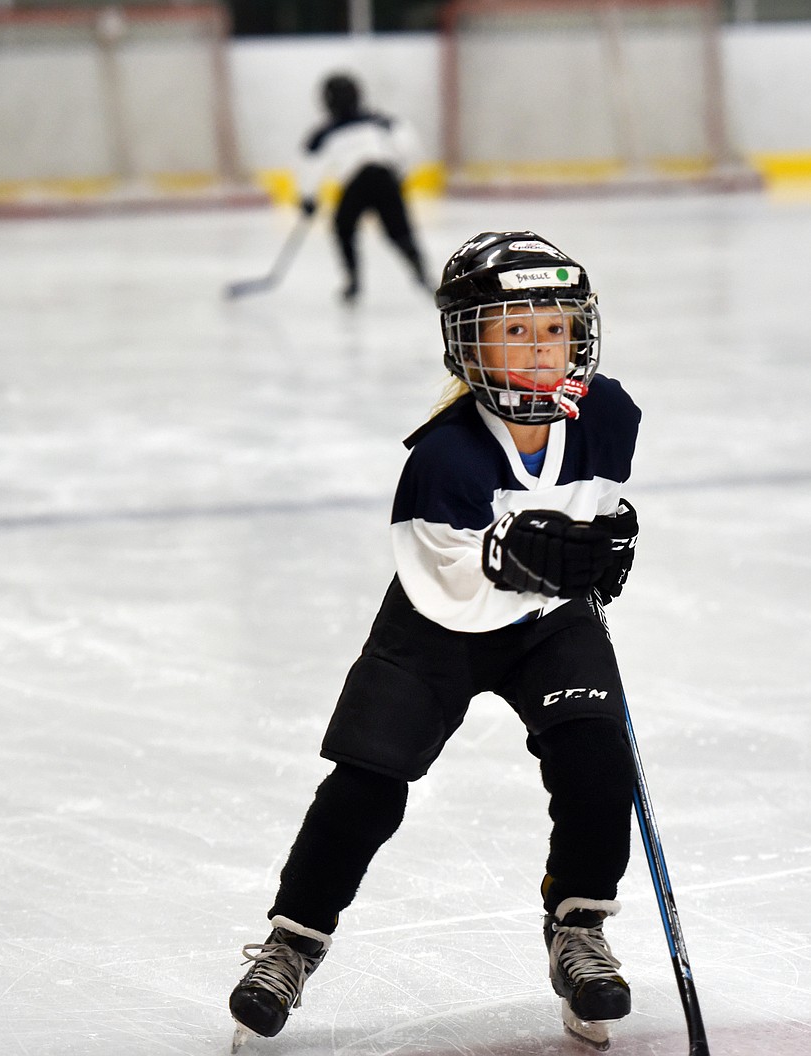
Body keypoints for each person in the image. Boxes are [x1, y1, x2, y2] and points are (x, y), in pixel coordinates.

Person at [228, 231, 643, 1051]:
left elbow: (594, 511)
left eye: (553, 328)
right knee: (365, 788)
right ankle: (292, 942)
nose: (538, 348)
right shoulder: (444, 457)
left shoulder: (609, 414)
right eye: (513, 330)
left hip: (546, 621)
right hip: (434, 625)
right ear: (469, 344)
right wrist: (533, 549)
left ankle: (580, 927)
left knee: (598, 759)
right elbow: (453, 580)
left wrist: (612, 543)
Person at [298, 72, 431, 304]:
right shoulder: (382, 121)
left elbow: (310, 168)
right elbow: (410, 147)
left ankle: (353, 283)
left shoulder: (323, 133)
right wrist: (400, 174)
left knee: (343, 228)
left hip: (355, 182)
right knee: (400, 232)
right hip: (384, 177)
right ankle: (422, 275)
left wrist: (308, 197)